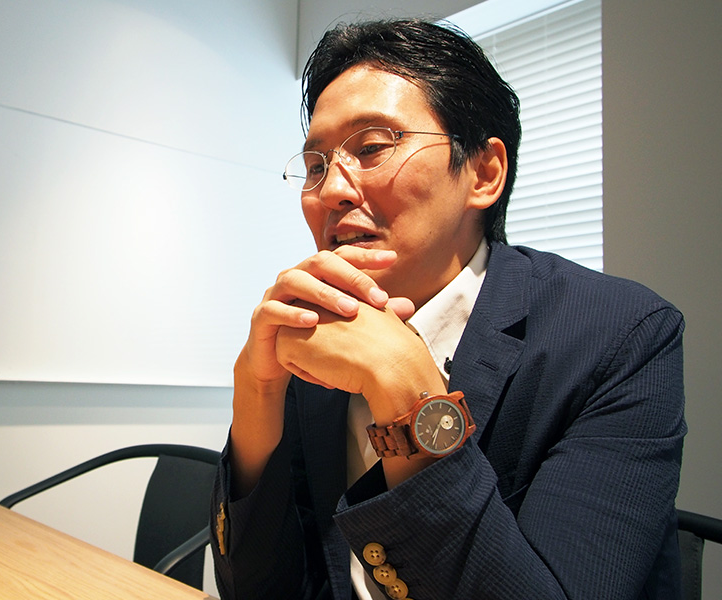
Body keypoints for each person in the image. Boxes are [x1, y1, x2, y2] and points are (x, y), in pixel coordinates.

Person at [209, 18, 686, 600]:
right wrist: (256, 393)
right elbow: (261, 590)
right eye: (315, 166)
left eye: (371, 147)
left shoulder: (621, 336)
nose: (331, 190)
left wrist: (404, 389)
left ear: (483, 173)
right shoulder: (316, 332)